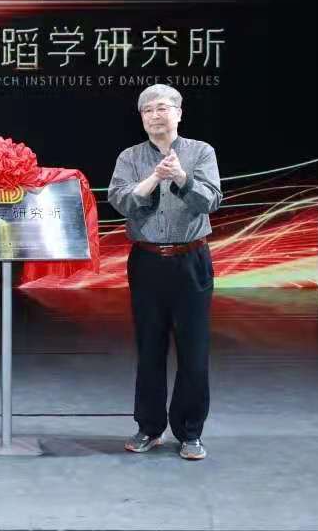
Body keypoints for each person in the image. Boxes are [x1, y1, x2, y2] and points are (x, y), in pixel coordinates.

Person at [107, 84, 222, 460]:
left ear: (178, 113)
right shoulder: (130, 157)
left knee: (194, 351)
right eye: (147, 110)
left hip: (192, 260)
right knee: (150, 348)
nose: (155, 115)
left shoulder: (201, 152)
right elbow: (120, 201)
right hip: (147, 261)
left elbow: (212, 201)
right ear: (141, 118)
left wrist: (183, 178)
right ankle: (149, 427)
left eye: (162, 108)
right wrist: (155, 177)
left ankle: (190, 432)